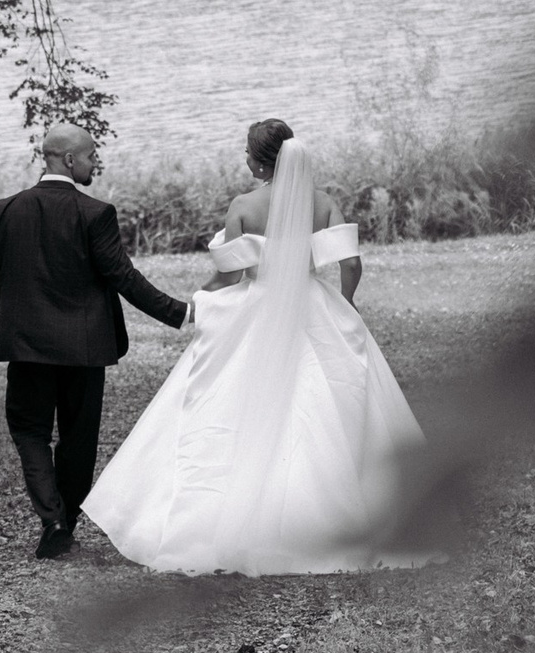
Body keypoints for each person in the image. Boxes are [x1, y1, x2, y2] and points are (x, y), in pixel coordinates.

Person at [82, 119, 435, 575]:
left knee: (230, 403)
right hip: (312, 304)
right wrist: (344, 303)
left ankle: (229, 522)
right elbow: (350, 262)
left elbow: (230, 274)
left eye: (247, 152)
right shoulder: (324, 203)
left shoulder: (245, 206)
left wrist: (202, 296)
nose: (244, 159)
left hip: (259, 306)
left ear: (262, 159)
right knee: (328, 402)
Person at [0, 123, 190, 559]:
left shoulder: (4, 210)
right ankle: (64, 526)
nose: (98, 163)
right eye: (93, 155)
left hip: (28, 346)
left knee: (30, 431)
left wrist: (25, 316)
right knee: (78, 438)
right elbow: (123, 278)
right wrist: (180, 312)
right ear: (69, 160)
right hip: (84, 346)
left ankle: (54, 522)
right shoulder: (96, 213)